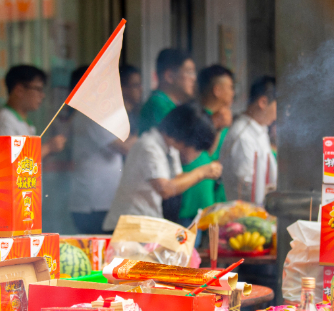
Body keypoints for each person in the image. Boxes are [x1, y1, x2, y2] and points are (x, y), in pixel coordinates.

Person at [103, 103, 222, 232]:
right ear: (185, 135)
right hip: (128, 227)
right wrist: (201, 172)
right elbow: (165, 189)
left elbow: (178, 180)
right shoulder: (149, 145)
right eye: (196, 148)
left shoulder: (171, 148)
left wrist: (204, 172)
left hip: (147, 225)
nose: (196, 154)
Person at [69, 66, 138, 234]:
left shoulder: (96, 114)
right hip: (93, 203)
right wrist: (145, 132)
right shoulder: (91, 114)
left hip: (102, 199)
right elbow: (124, 147)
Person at [179, 65, 235, 223]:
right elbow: (196, 154)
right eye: (230, 87)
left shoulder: (223, 119)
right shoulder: (194, 116)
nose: (233, 93)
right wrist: (217, 127)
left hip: (209, 199)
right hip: (189, 202)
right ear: (217, 90)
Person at [220, 76, 278, 206]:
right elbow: (248, 187)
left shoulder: (260, 129)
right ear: (263, 102)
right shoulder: (243, 136)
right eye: (277, 106)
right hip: (245, 215)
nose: (277, 114)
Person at [0, 64, 66, 159]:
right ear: (19, 90)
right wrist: (48, 147)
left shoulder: (24, 121)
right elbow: (11, 161)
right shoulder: (5, 119)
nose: (42, 95)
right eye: (38, 89)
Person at [137, 49, 197, 135]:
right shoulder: (158, 104)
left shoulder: (172, 103)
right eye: (189, 72)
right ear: (169, 76)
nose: (193, 78)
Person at [120, 64, 143, 134]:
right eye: (136, 85)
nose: (141, 89)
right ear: (123, 88)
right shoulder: (116, 117)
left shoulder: (138, 112)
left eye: (140, 85)